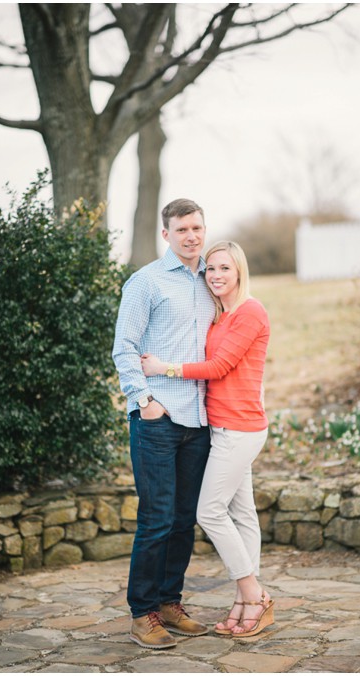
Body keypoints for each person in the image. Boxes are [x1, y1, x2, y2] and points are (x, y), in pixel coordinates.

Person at [141, 240, 273, 638]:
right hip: (221, 426)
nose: (216, 276)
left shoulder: (251, 312)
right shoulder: (220, 314)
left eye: (224, 269)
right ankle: (243, 601)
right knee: (243, 513)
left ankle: (255, 594)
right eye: (211, 269)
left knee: (210, 512)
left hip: (240, 428)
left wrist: (165, 368)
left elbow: (218, 366)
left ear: (239, 273)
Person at [113, 198, 215, 649]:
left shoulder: (211, 279)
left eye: (197, 227)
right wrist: (144, 401)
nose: (191, 236)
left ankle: (170, 602)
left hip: (199, 420)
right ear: (166, 234)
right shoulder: (146, 282)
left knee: (183, 519)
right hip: (158, 418)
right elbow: (125, 348)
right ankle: (143, 613)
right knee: (155, 519)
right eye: (182, 229)